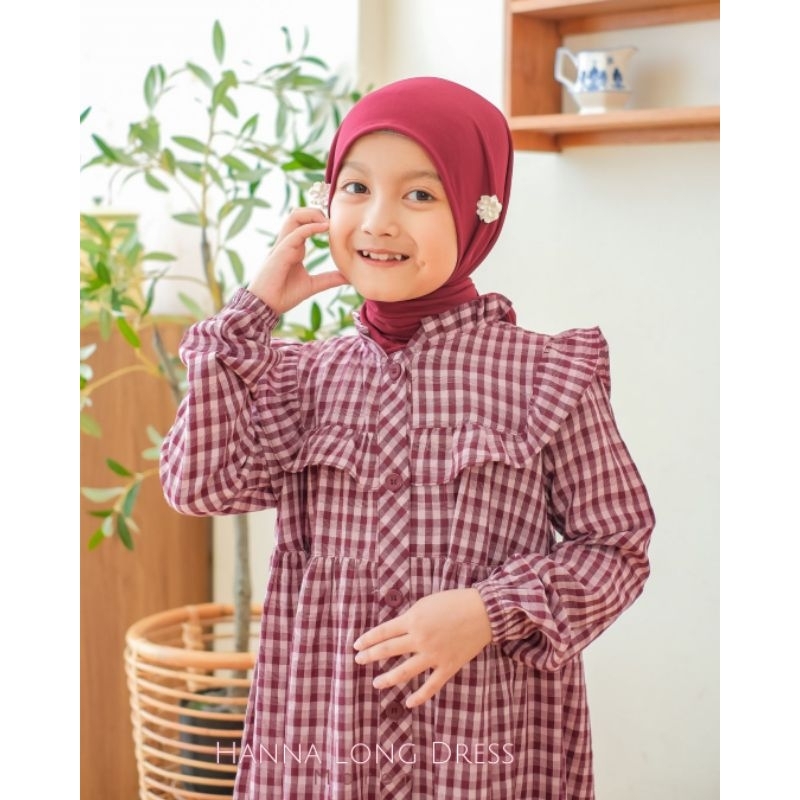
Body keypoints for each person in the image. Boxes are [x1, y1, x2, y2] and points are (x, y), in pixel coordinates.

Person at [160, 76, 655, 799]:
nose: (378, 221)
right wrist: (249, 316)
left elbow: (615, 547)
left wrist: (487, 612)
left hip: (485, 746)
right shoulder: (299, 377)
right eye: (355, 188)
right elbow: (197, 485)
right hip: (326, 749)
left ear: (481, 210)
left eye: (420, 194)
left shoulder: (548, 376)